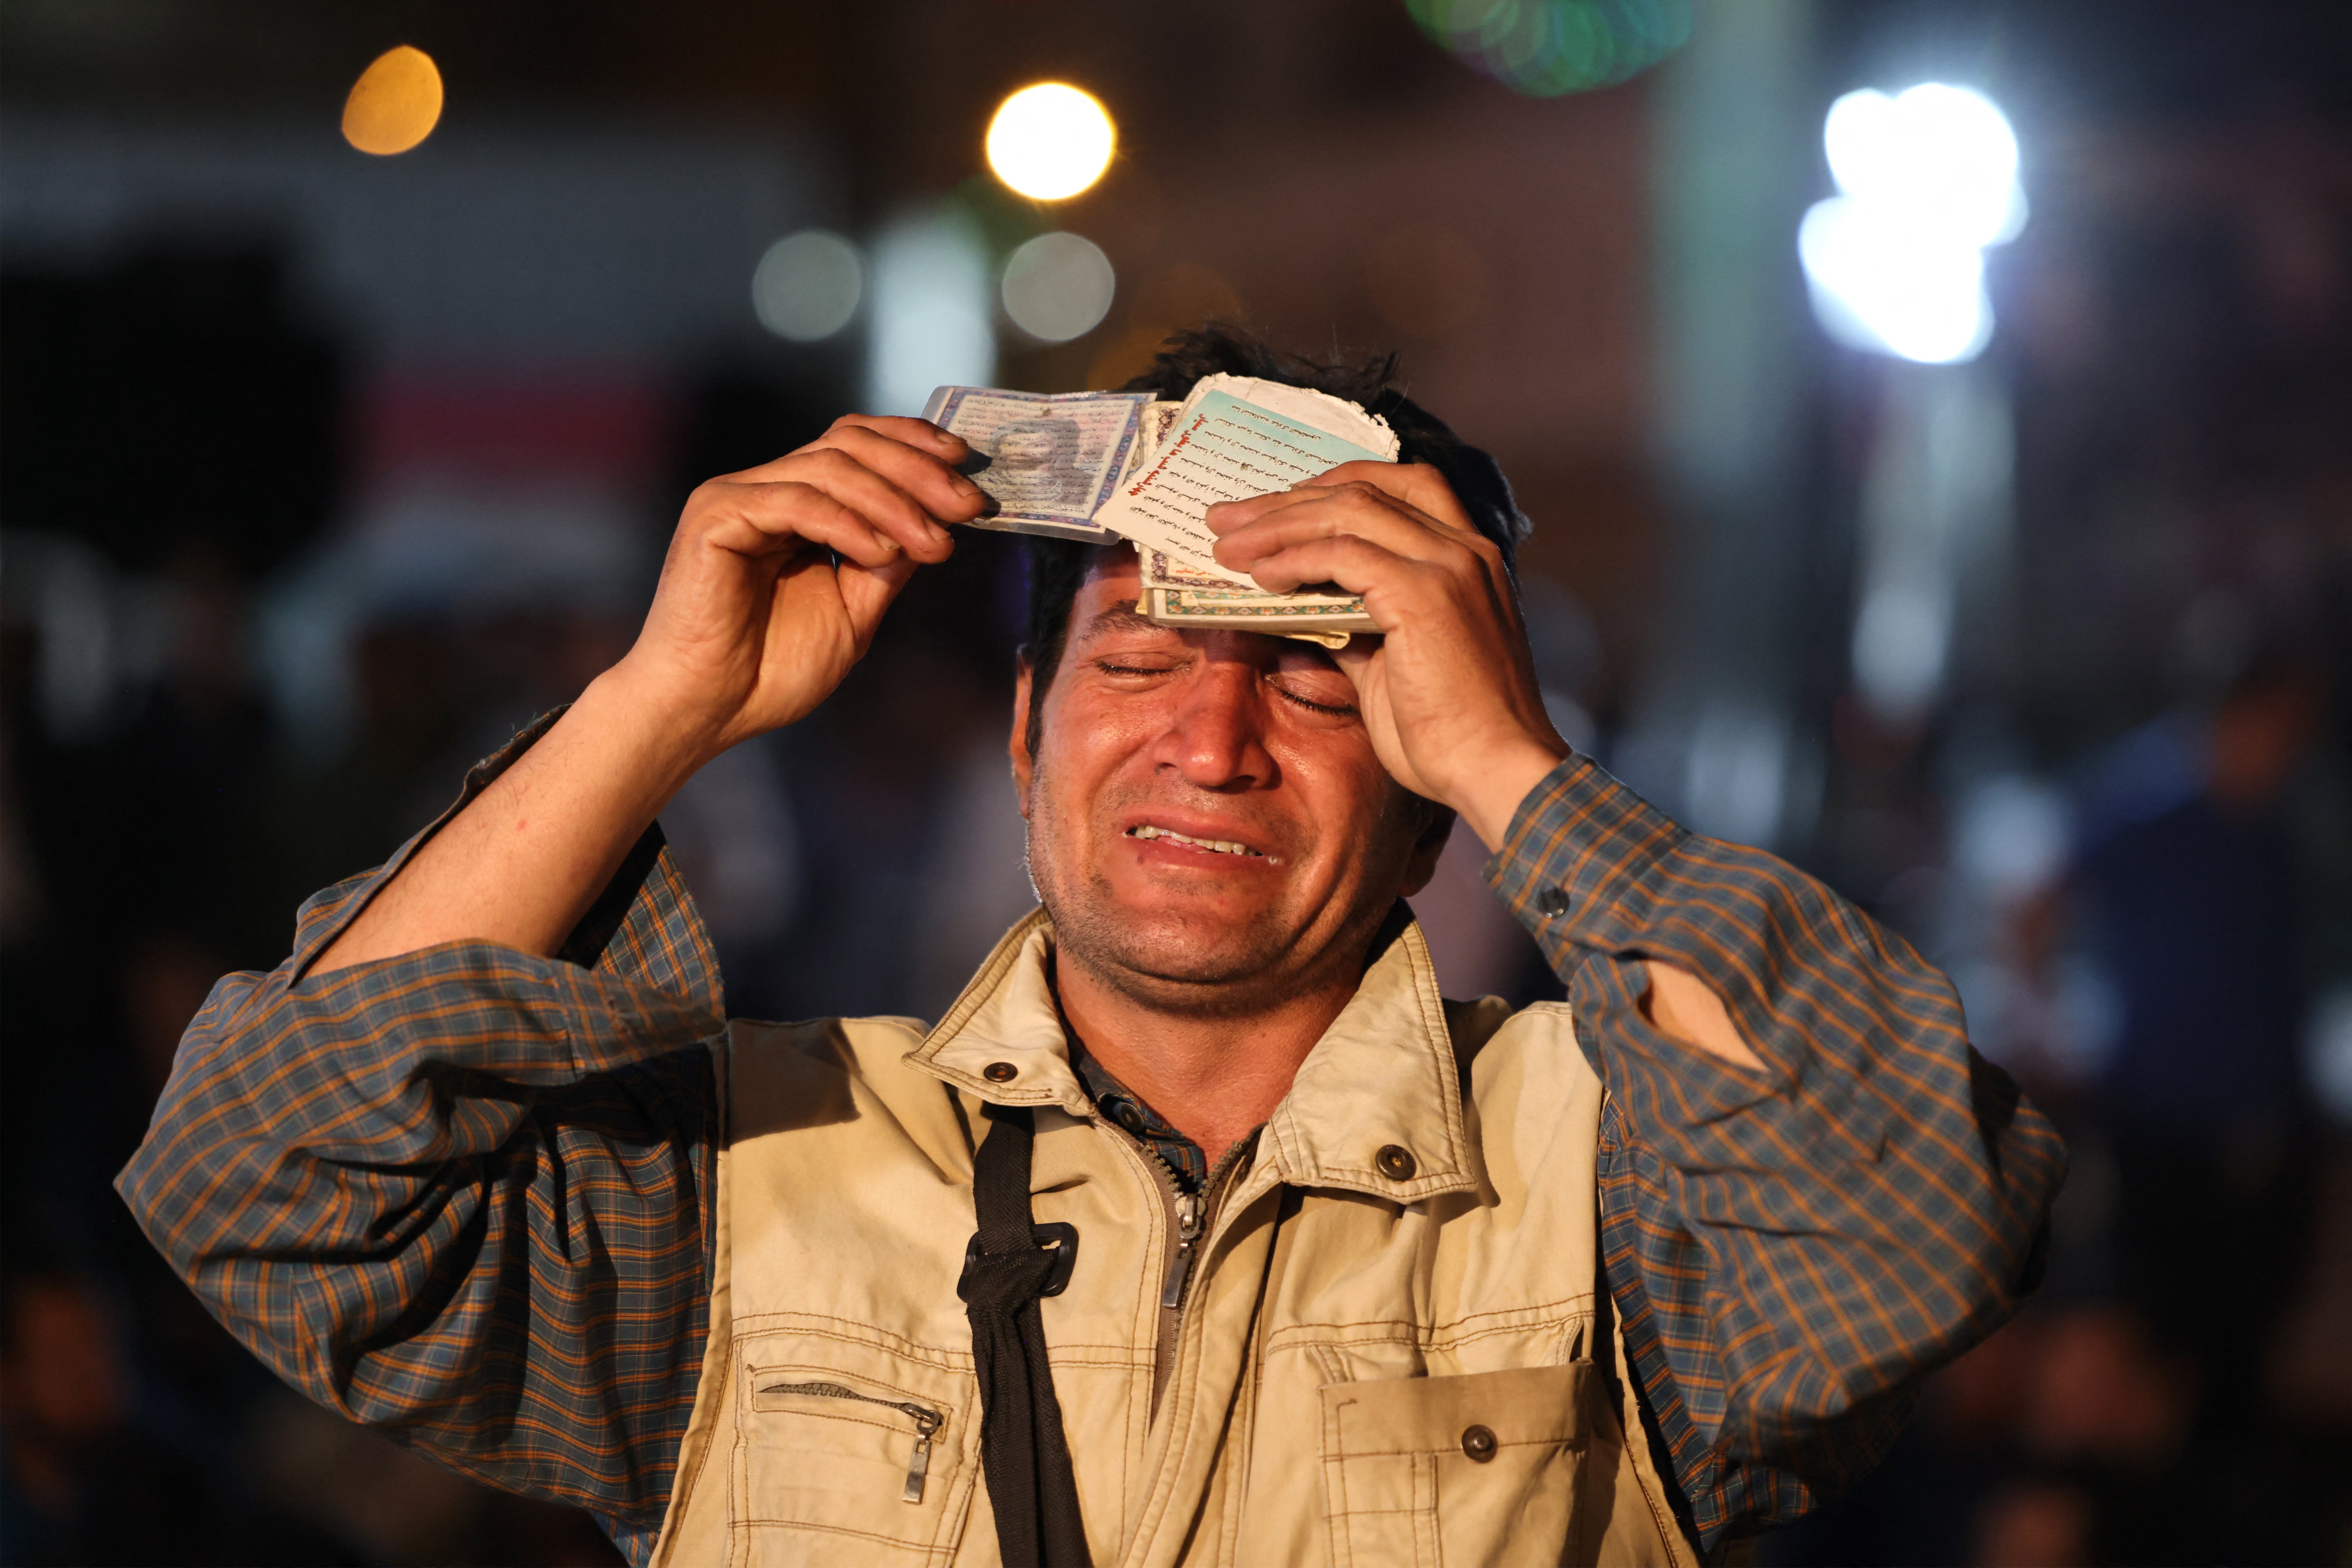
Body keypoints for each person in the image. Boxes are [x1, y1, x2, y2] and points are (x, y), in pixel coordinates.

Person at [120, 329, 2064, 1568]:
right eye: (1130, 660)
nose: (1204, 741)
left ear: (1411, 774)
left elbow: (1909, 1221)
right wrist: (659, 699)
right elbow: (258, 1180)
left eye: (1316, 684)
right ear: (1024, 728)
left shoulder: (1611, 1171)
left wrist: (1509, 754)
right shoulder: (743, 1173)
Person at [984, 415, 1095, 511]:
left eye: (1038, 445)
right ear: (998, 447)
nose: (1021, 452)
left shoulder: (1086, 483)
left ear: (1060, 450)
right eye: (1011, 444)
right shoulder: (984, 483)